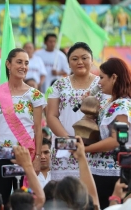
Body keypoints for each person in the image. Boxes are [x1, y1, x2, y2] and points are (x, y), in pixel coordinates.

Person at [0, 48, 46, 207]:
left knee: (25, 203)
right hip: (0, 156)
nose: (23, 66)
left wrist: (38, 157)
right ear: (8, 64)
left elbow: (38, 128)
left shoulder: (35, 95)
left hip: (25, 156)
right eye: (19, 62)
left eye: (26, 63)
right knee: (0, 201)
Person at [47, 42, 103, 181]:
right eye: (74, 59)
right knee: (64, 196)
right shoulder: (59, 85)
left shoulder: (102, 84)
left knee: (91, 196)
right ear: (68, 63)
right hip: (65, 151)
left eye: (84, 58)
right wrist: (69, 141)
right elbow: (51, 115)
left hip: (94, 149)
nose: (80, 62)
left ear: (91, 60)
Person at [85, 57, 131, 209]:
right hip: (100, 171)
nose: (99, 82)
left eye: (102, 77)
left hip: (113, 173)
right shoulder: (110, 103)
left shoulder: (122, 104)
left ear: (114, 77)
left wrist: (84, 150)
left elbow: (117, 140)